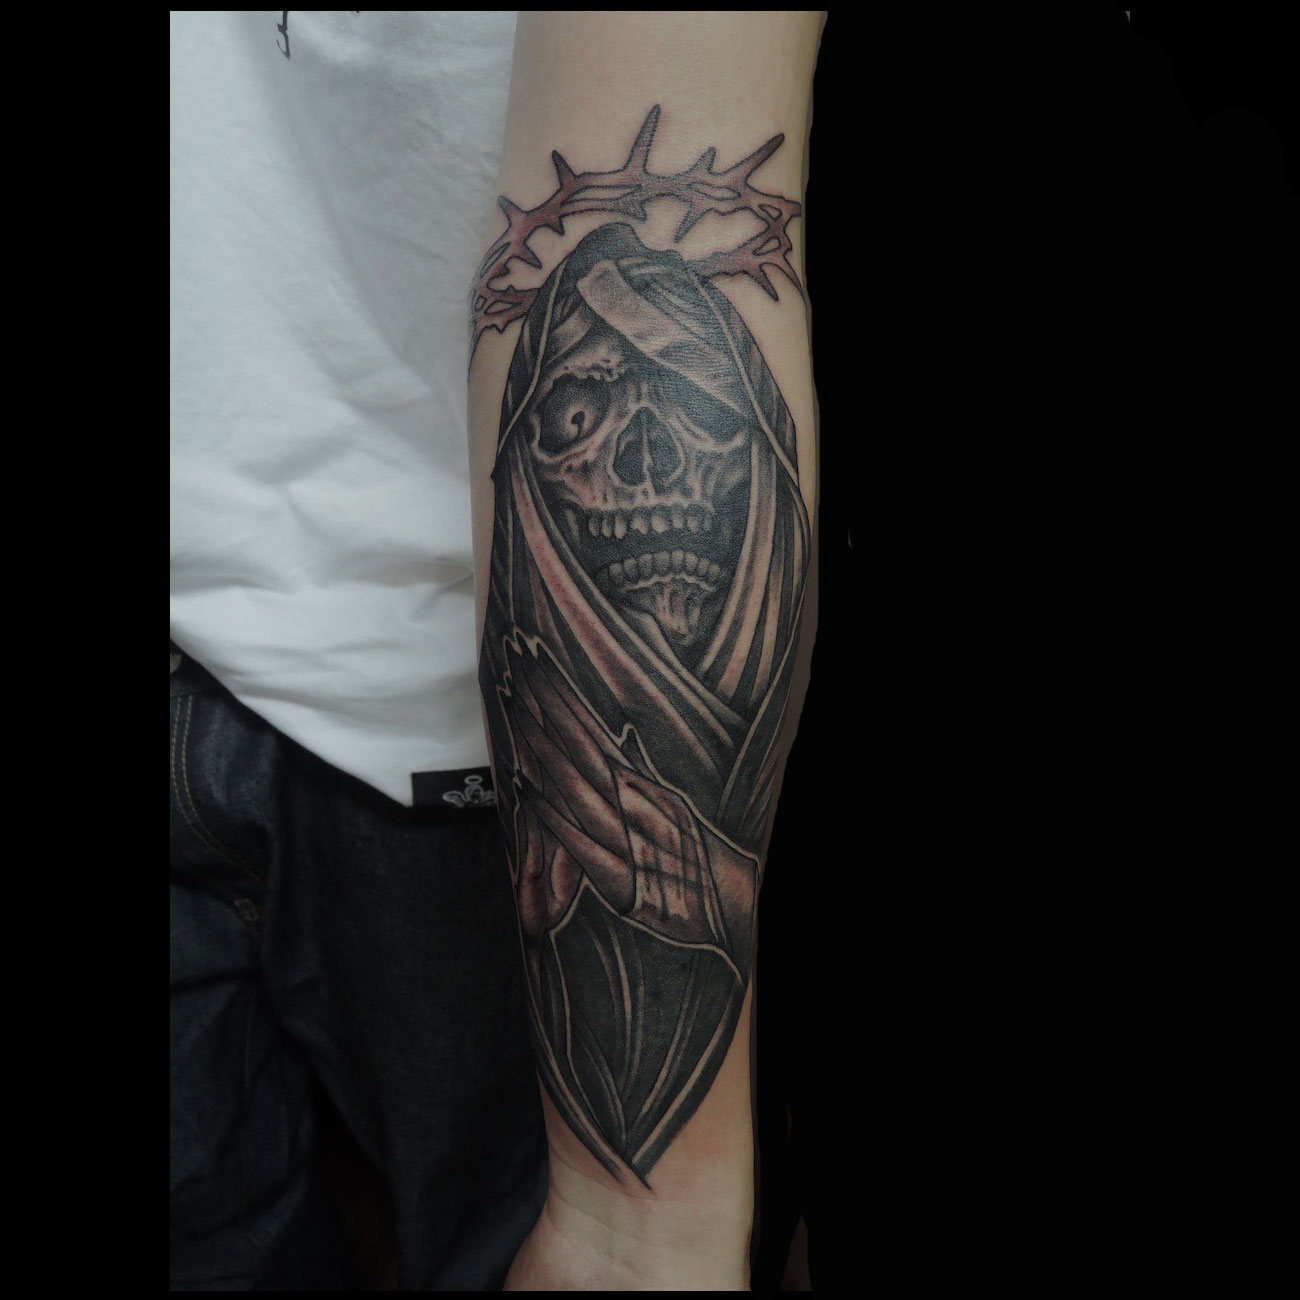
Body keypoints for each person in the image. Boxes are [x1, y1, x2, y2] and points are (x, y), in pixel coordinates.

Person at [171, 11, 821, 1290]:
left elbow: (691, 110)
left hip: (459, 770)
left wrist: (641, 1225)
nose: (642, 458)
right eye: (579, 414)